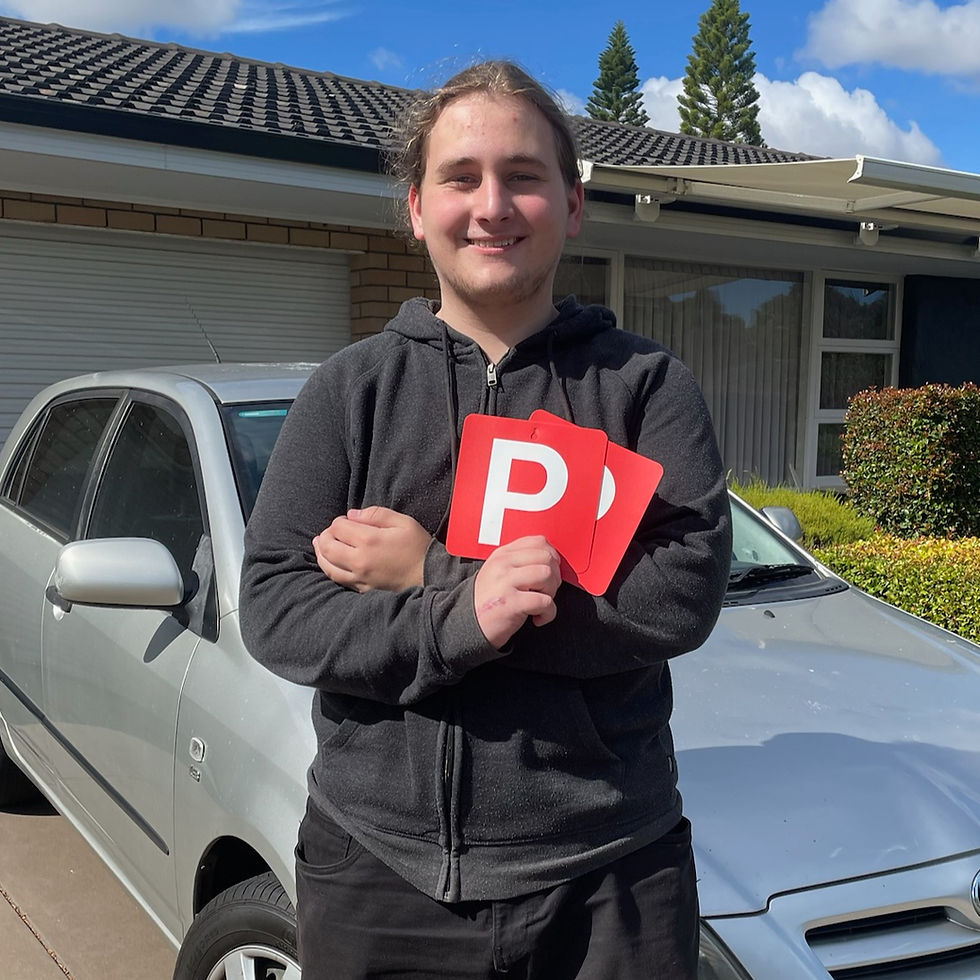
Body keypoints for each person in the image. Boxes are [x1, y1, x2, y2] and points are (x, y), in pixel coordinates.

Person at [240, 60, 732, 980]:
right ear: (417, 209)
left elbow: (679, 594)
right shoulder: (351, 392)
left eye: (525, 176)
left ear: (574, 205)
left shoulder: (644, 387)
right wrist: (462, 617)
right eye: (462, 178)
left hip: (610, 872)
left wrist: (439, 574)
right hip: (379, 873)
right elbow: (275, 605)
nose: (493, 204)